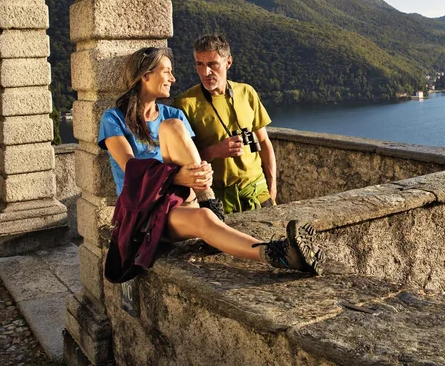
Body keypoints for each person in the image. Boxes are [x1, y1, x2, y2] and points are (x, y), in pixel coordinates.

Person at [98, 46, 324, 278]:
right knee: (204, 220)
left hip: (182, 194)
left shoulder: (172, 115)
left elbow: (191, 156)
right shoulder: (114, 118)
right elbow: (129, 166)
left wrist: (196, 174)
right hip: (146, 208)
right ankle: (279, 253)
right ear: (146, 75)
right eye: (166, 72)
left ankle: (209, 202)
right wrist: (175, 176)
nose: (173, 78)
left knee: (172, 126)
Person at [174, 35, 277, 214]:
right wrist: (215, 151)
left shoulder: (247, 92)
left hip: (259, 193)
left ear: (228, 62)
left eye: (212, 64)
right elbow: (181, 163)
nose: (205, 72)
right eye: (199, 64)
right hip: (219, 199)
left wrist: (272, 189)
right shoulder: (185, 103)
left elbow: (264, 143)